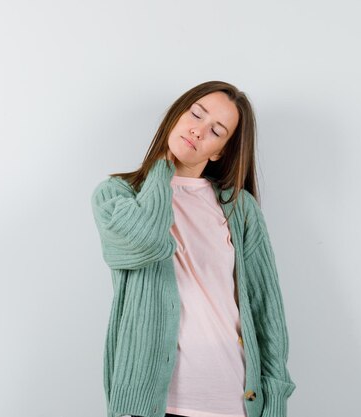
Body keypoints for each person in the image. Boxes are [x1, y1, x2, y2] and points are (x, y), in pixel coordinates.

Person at [90, 80, 296, 417]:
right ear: (176, 116)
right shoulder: (117, 195)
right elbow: (146, 241)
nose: (198, 131)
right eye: (196, 114)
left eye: (216, 131)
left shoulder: (238, 208)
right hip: (152, 404)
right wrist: (162, 167)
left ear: (219, 151)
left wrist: (274, 401)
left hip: (234, 400)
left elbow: (266, 310)